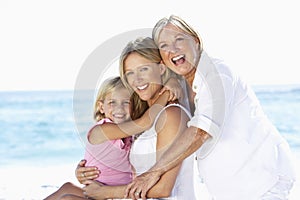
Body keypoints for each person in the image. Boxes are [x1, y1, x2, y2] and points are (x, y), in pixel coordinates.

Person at [125, 15, 297, 200]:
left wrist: (153, 173)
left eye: (179, 39)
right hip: (230, 190)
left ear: (196, 41)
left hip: (264, 181)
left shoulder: (218, 73)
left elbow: (201, 131)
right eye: (164, 46)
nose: (172, 49)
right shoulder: (181, 84)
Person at [77, 37, 198, 199]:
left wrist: (104, 192)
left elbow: (163, 189)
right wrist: (88, 170)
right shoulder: (141, 118)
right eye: (130, 73)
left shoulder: (171, 115)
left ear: (161, 69)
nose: (137, 79)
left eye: (144, 69)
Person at [44, 76, 145, 199]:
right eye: (112, 102)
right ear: (101, 107)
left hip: (110, 194)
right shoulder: (101, 130)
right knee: (67, 188)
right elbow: (143, 123)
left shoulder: (130, 134)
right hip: (97, 191)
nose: (119, 108)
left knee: (68, 197)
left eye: (126, 102)